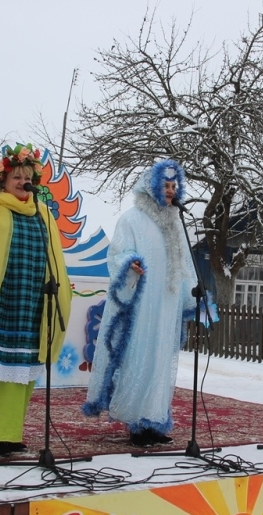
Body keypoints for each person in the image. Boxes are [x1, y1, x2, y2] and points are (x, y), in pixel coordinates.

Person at [0, 143, 72, 456]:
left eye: (27, 177)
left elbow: (54, 260)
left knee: (21, 374)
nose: (22, 182)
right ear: (2, 180)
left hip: (31, 305)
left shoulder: (43, 213)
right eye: (16, 177)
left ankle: (9, 432)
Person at [82, 160, 199, 447]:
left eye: (173, 186)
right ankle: (136, 422)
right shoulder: (132, 219)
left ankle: (155, 420)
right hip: (142, 305)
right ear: (151, 186)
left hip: (167, 305)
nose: (170, 191)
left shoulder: (175, 222)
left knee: (161, 362)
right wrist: (129, 264)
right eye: (165, 185)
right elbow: (117, 254)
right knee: (140, 358)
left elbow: (185, 265)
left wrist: (193, 295)